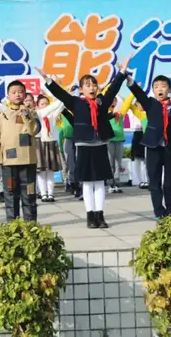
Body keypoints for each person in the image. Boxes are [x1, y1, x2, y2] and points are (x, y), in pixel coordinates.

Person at [38, 57, 130, 229]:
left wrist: (122, 72)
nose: (92, 87)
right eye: (87, 85)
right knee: (87, 183)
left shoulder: (102, 102)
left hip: (100, 145)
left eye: (94, 84)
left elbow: (113, 89)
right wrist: (47, 80)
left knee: (100, 182)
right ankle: (90, 216)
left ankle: (100, 215)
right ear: (81, 89)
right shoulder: (76, 103)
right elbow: (60, 94)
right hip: (84, 146)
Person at [126, 75, 171, 219]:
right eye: (156, 87)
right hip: (153, 147)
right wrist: (130, 81)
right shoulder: (150, 104)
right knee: (154, 181)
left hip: (170, 148)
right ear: (153, 90)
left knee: (170, 181)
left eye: (163, 86)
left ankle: (170, 210)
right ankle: (159, 211)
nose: (160, 89)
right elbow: (138, 93)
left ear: (169, 89)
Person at [0, 80, 40, 222]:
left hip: (27, 160)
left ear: (25, 94)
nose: (17, 95)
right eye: (13, 92)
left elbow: (33, 130)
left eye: (20, 92)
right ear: (8, 96)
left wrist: (25, 113)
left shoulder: (32, 113)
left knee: (29, 193)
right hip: (9, 160)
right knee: (11, 194)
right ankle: (13, 226)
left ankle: (30, 225)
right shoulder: (3, 116)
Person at [35, 94, 65, 202]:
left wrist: (65, 95)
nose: (45, 106)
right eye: (42, 104)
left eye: (47, 104)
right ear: (38, 106)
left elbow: (61, 105)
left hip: (51, 143)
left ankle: (51, 193)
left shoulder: (53, 114)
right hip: (40, 144)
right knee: (41, 172)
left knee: (51, 171)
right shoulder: (37, 114)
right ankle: (43, 194)